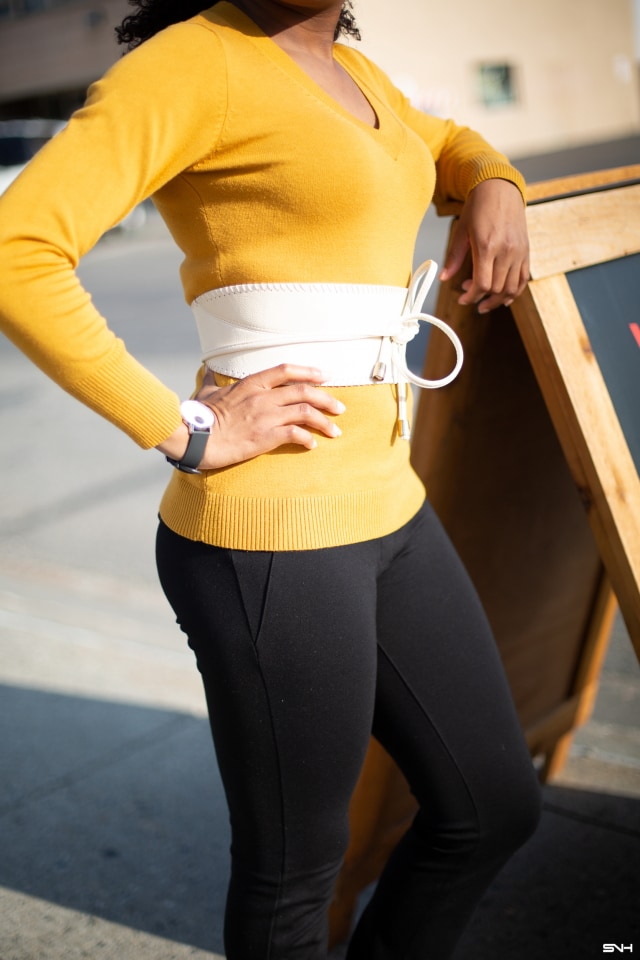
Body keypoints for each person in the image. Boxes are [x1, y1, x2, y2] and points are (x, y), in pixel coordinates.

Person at [0, 1, 542, 957]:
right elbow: (17, 250)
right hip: (270, 538)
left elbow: (443, 141)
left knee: (492, 806)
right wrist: (186, 426)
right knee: (294, 881)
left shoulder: (354, 72)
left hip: (390, 505)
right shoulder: (192, 65)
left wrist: (493, 177)